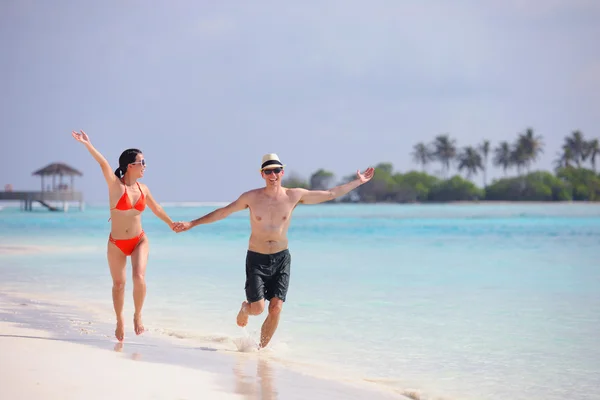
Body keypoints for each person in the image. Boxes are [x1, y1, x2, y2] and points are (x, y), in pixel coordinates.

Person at [173, 153, 374, 349]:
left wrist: (358, 182)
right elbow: (223, 212)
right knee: (258, 309)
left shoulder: (294, 195)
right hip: (256, 259)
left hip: (281, 258)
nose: (273, 175)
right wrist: (192, 223)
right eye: (268, 171)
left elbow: (330, 194)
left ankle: (260, 351)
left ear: (282, 172)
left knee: (276, 308)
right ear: (262, 174)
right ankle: (245, 308)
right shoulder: (251, 197)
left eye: (276, 170)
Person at [72, 130, 177, 342]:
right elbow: (103, 164)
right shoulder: (115, 186)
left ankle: (137, 315)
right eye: (142, 162)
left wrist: (171, 223)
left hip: (139, 240)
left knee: (139, 276)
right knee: (119, 284)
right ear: (130, 166)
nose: (145, 166)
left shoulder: (143, 189)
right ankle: (120, 320)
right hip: (117, 244)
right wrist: (88, 144)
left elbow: (156, 209)